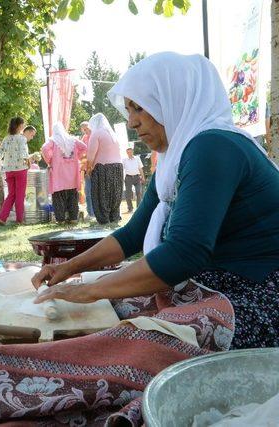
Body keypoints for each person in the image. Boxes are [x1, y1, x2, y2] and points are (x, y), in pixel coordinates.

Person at [33, 52, 279, 351]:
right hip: (215, 283)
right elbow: (133, 234)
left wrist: (92, 290)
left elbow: (184, 254)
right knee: (103, 311)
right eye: (128, 110)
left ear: (175, 99)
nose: (133, 121)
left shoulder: (213, 146)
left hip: (258, 295)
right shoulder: (173, 158)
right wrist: (69, 268)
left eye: (140, 107)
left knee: (138, 341)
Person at [41, 123, 87, 224]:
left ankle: (60, 220)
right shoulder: (73, 139)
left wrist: (49, 159)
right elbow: (84, 147)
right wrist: (77, 157)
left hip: (58, 174)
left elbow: (44, 148)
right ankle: (73, 218)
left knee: (58, 197)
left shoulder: (53, 140)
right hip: (72, 174)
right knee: (72, 196)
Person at [87, 113, 123, 224]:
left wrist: (89, 169)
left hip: (103, 168)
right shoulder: (113, 134)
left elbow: (90, 156)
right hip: (117, 168)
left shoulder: (96, 134)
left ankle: (103, 220)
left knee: (101, 195)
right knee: (114, 194)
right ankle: (114, 218)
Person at [0, 117, 30, 226]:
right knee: (20, 195)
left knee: (11, 195)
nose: (23, 127)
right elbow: (24, 153)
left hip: (9, 170)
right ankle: (19, 219)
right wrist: (28, 162)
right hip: (20, 169)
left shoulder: (6, 138)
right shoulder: (22, 138)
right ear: (19, 126)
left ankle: (1, 218)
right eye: (23, 125)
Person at [122, 147, 145, 212]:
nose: (129, 153)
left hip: (137, 177)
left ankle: (139, 208)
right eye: (128, 152)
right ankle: (130, 208)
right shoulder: (124, 160)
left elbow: (140, 168)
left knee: (139, 192)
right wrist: (123, 178)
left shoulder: (137, 158)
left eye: (130, 152)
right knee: (128, 194)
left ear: (132, 152)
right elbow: (122, 169)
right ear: (126, 153)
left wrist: (143, 177)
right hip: (128, 178)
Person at [80, 121, 95, 220]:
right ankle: (90, 213)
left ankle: (97, 212)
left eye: (87, 128)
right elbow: (82, 153)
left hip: (96, 167)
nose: (86, 131)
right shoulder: (84, 138)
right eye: (84, 130)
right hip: (87, 168)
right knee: (88, 191)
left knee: (96, 191)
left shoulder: (95, 135)